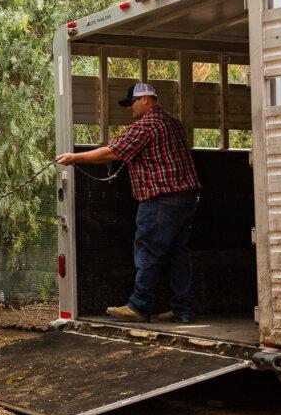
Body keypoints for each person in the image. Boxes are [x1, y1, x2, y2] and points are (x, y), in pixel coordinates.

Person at [56, 83, 201, 324]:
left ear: (145, 99)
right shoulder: (171, 122)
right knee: (178, 254)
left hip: (160, 200)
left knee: (148, 250)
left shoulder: (147, 124)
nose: (129, 109)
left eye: (131, 103)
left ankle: (140, 305)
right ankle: (181, 309)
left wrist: (74, 158)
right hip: (185, 199)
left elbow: (113, 152)